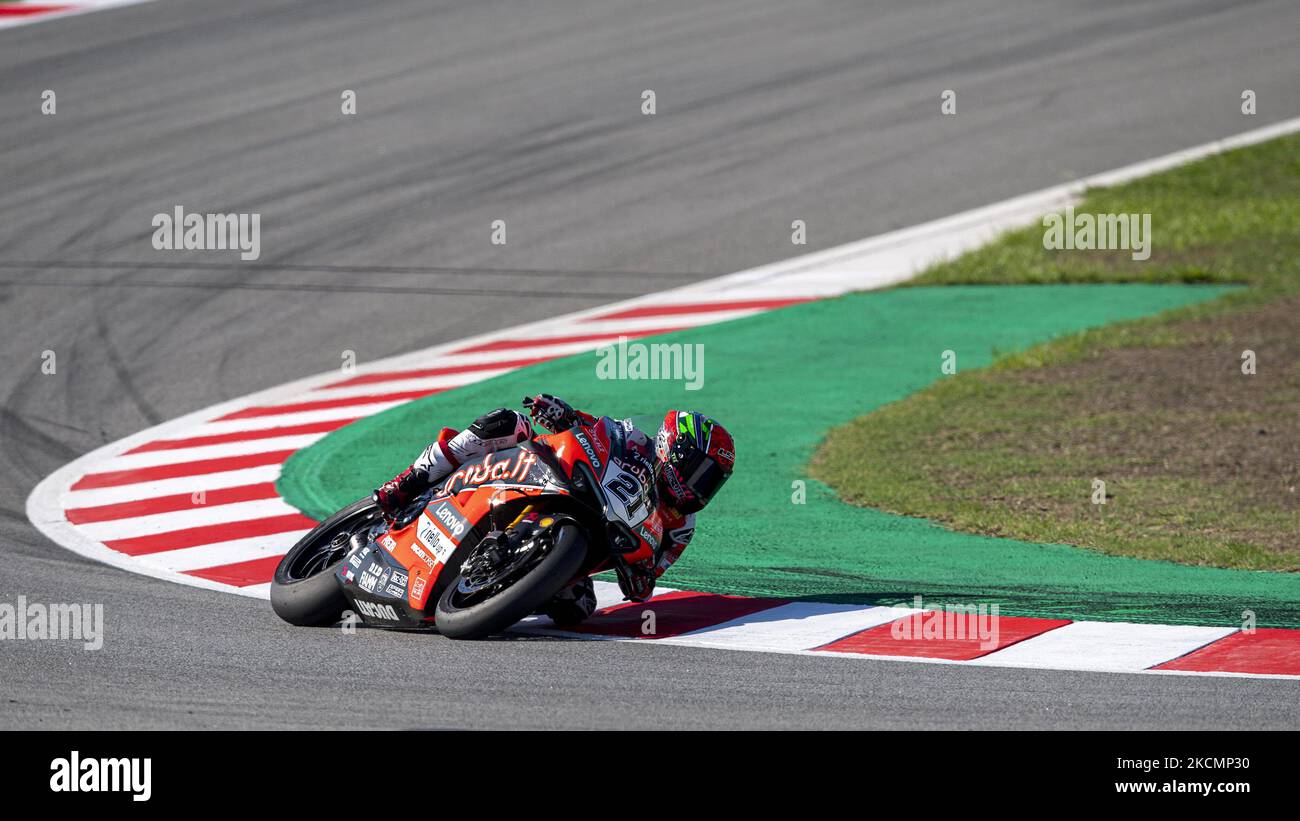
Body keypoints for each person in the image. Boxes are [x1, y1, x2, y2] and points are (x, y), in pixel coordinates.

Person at [372, 394, 735, 624]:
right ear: (674, 449)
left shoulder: (681, 526)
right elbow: (591, 427)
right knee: (507, 422)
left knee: (578, 608)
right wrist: (562, 413)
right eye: (699, 472)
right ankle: (410, 481)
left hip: (589, 540)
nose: (700, 487)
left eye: (711, 481)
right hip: (544, 474)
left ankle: (500, 587)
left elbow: (648, 580)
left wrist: (640, 576)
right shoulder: (634, 439)